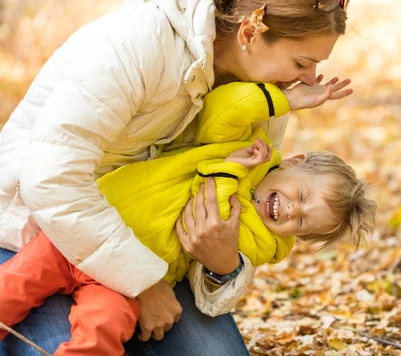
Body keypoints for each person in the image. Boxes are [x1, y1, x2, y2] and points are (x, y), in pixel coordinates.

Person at [0, 0, 354, 355]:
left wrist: (224, 267)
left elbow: (241, 215)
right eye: (301, 62)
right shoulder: (138, 43)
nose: (309, 80)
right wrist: (143, 283)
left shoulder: (269, 101)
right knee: (48, 345)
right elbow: (52, 179)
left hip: (153, 252)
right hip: (39, 233)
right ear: (250, 34)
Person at [0, 81, 377, 355]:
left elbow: (214, 210)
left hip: (130, 277)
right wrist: (284, 99)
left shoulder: (266, 241)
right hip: (87, 232)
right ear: (293, 162)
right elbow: (226, 108)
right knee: (14, 286)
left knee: (105, 326)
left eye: (302, 224)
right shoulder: (244, 147)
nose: (293, 211)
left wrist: (228, 174)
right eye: (301, 196)